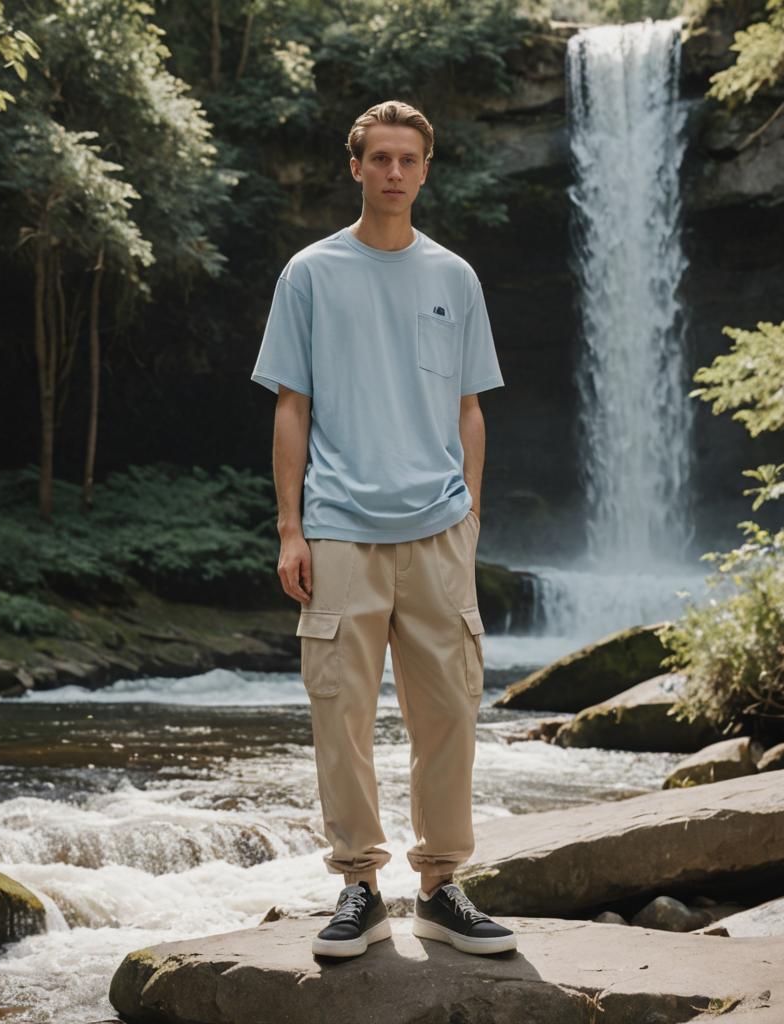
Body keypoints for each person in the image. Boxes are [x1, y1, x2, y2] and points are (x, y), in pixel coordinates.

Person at [250, 99, 514, 958]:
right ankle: (358, 888)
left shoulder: (456, 277)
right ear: (355, 167)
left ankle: (442, 888)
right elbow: (292, 408)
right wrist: (291, 528)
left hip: (439, 532)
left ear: (426, 170)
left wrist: (469, 515)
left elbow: (470, 409)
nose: (395, 172)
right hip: (339, 530)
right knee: (342, 717)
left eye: (409, 159)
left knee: (450, 715)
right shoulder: (311, 273)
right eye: (380, 159)